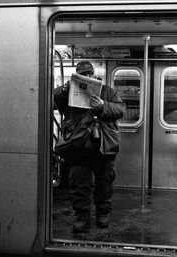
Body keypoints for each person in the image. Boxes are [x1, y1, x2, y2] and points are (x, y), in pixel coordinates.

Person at [54, 61, 126, 232]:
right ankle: (82, 215)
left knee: (104, 181)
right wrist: (63, 90)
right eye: (82, 75)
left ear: (93, 75)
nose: (87, 77)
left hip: (103, 143)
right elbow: (54, 102)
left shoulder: (107, 91)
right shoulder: (69, 93)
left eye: (89, 74)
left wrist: (103, 106)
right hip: (78, 144)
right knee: (79, 181)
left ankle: (103, 213)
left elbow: (121, 109)